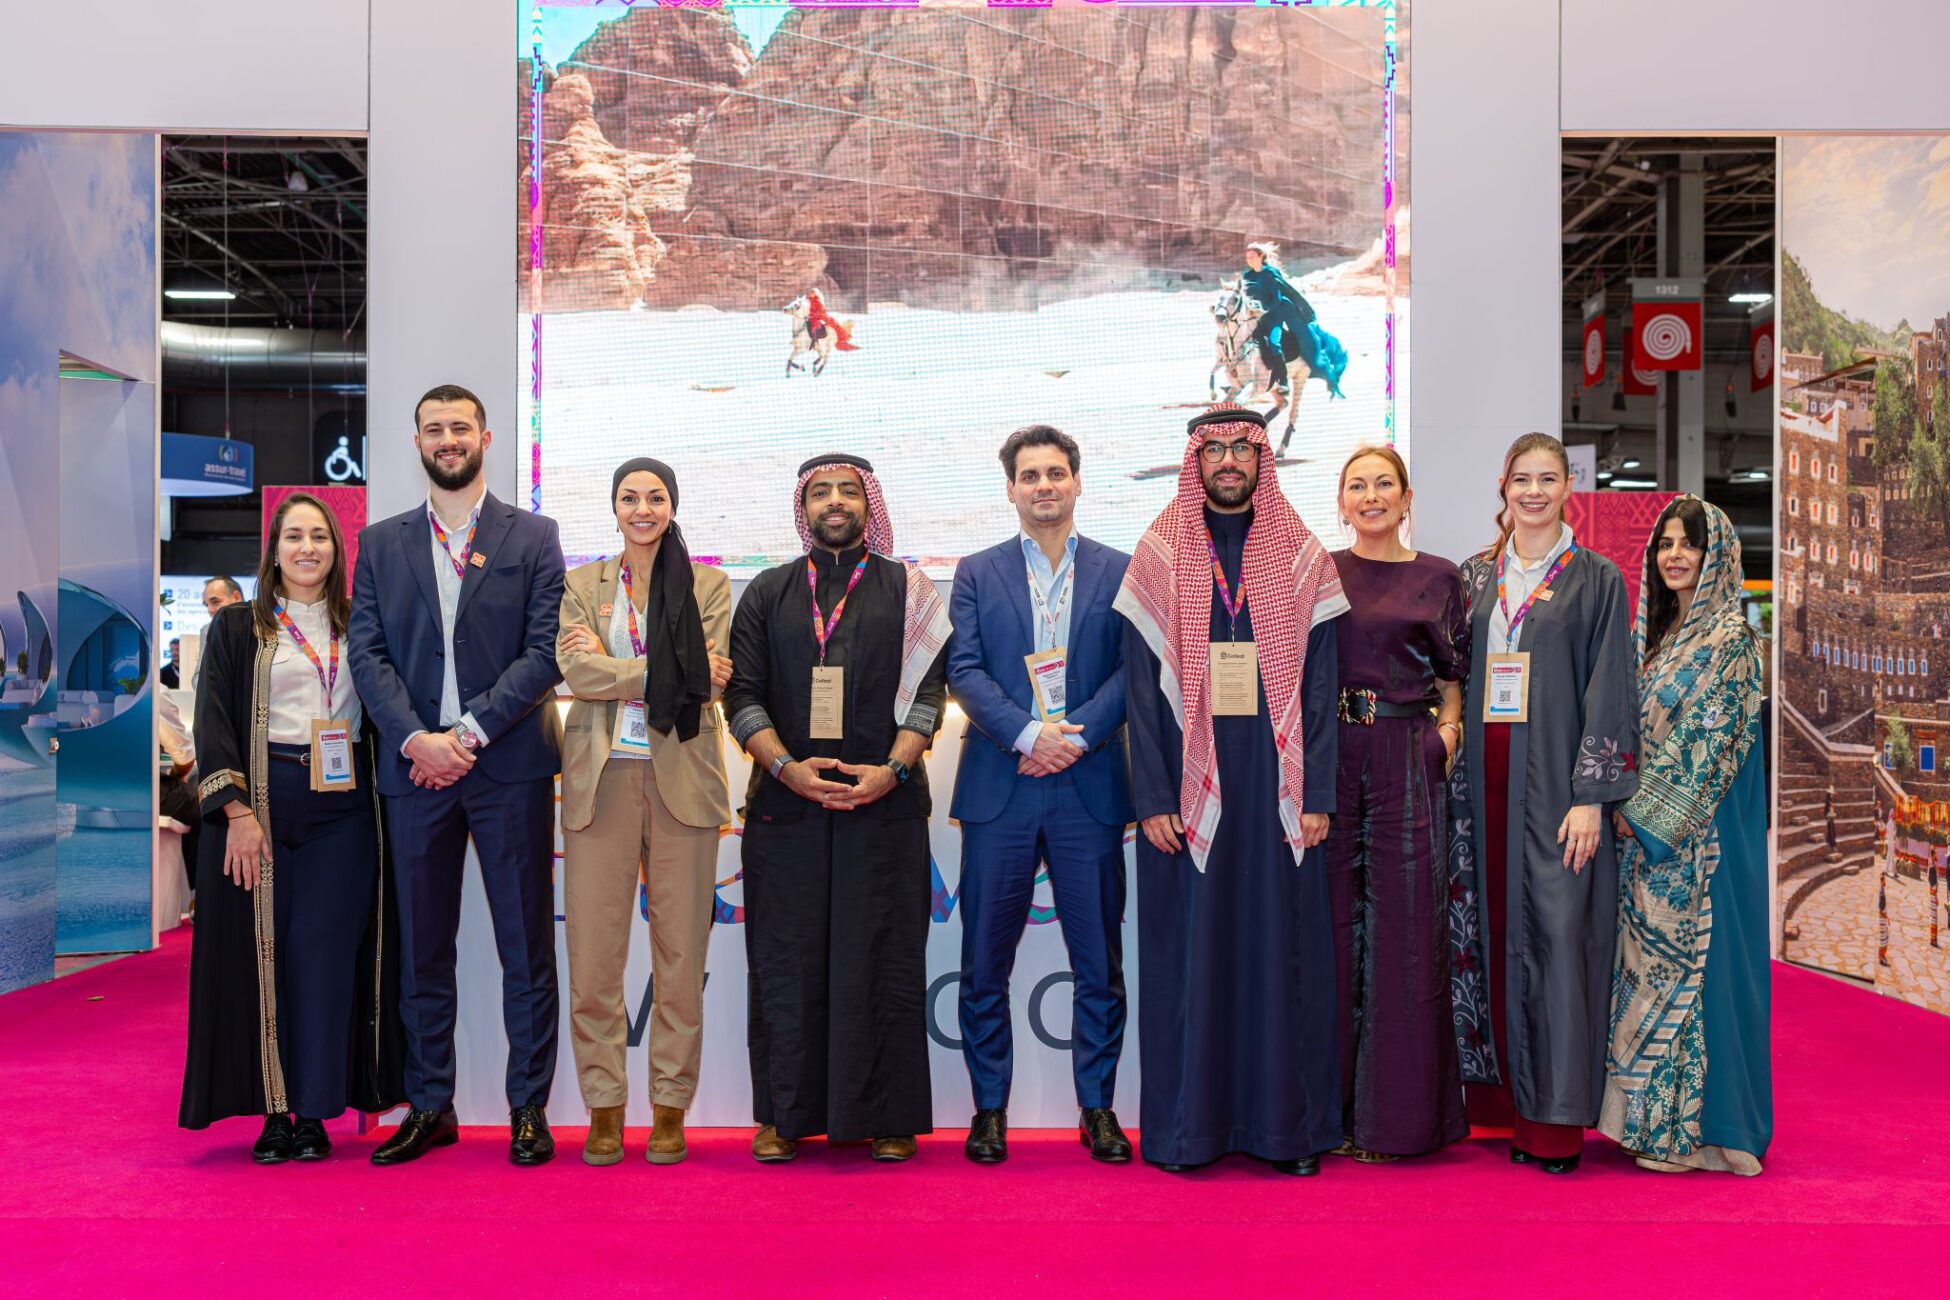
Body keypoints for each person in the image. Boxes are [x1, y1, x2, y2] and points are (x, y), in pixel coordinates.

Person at [1115, 404, 1348, 1175]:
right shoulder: (1158, 554)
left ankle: (1286, 1134)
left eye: (1239, 450)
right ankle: (1190, 1132)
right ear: (1196, 460)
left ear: (1259, 459)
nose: (1226, 462)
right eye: (1211, 449)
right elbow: (1140, 694)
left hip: (1277, 789)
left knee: (1281, 954)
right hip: (1188, 793)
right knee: (1193, 957)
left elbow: (1321, 687)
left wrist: (1315, 793)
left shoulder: (1301, 553)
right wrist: (1151, 797)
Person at [348, 383, 566, 1167]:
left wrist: (466, 734)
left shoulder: (534, 536)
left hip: (506, 767)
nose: (448, 439)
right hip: (415, 774)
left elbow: (544, 653)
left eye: (460, 427)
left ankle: (528, 1110)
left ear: (486, 437)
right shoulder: (379, 544)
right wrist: (415, 740)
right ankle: (430, 1104)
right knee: (421, 949)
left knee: (524, 946)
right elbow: (365, 656)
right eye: (433, 428)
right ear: (417, 443)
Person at [723, 452, 951, 1164]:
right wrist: (785, 768)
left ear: (867, 503)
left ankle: (887, 1115)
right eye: (820, 491)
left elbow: (928, 694)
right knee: (786, 961)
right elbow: (743, 695)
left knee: (882, 954)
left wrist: (891, 769)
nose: (834, 502)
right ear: (804, 506)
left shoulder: (909, 590)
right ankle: (785, 1116)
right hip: (786, 812)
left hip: (883, 806)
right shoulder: (767, 590)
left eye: (848, 491)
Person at [180, 493, 403, 1162]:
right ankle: (274, 1112)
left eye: (321, 537)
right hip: (261, 802)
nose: (308, 548)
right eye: (294, 536)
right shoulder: (237, 629)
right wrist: (238, 815)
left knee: (325, 959)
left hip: (344, 810)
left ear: (338, 550)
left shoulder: (361, 624)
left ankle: (314, 1112)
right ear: (274, 549)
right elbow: (212, 719)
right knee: (264, 957)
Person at [1448, 432, 1638, 1175]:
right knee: (1487, 937)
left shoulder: (1595, 579)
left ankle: (1553, 1125)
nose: (1533, 491)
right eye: (1521, 478)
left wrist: (1593, 796)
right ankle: (1497, 1108)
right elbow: (1448, 678)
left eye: (1547, 478)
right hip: (1482, 794)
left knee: (1560, 946)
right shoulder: (1473, 577)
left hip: (1557, 793)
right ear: (1503, 485)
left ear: (1568, 489)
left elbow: (1610, 691)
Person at [947, 425, 1134, 1165]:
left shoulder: (1122, 570)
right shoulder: (975, 570)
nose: (1044, 486)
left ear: (1078, 482)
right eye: (1030, 476)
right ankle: (988, 1109)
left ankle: (1099, 1109)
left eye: (1057, 473)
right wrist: (1029, 736)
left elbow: (1133, 670)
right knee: (983, 964)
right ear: (1012, 489)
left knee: (1100, 965)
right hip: (1003, 787)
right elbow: (964, 670)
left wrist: (1074, 736)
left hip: (1087, 787)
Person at [555, 458, 733, 1167]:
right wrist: (668, 670)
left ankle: (668, 1107)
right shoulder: (582, 584)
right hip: (599, 783)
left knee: (681, 958)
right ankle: (604, 1106)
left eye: (655, 497)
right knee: (594, 959)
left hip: (682, 780)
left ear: (672, 505)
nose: (642, 508)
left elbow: (712, 678)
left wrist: (622, 671)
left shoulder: (711, 585)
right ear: (614, 507)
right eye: (629, 497)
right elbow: (575, 673)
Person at [1601, 496, 1771, 1176]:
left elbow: (1711, 743)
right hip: (1649, 848)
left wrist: (1638, 813)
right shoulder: (1663, 639)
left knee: (1706, 981)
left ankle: (1713, 1131)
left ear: (1716, 554)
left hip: (1702, 848)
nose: (1674, 555)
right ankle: (1661, 1128)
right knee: (1653, 982)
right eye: (1665, 544)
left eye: (1689, 544)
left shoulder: (1731, 639)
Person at [1323, 445, 1469, 1162]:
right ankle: (1329, 1116)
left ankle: (1399, 1125)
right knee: (1330, 931)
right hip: (1332, 761)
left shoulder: (1439, 577)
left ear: (1406, 498)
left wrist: (1445, 736)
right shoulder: (1318, 573)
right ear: (1341, 500)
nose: (1371, 496)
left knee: (1407, 935)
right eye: (1358, 486)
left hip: (1407, 758)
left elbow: (1454, 674)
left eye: (1384, 485)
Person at [803, 287, 858, 351]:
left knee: (832, 324)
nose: (811, 294)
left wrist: (813, 315)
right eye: (810, 292)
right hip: (811, 317)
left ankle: (842, 336)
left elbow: (821, 311)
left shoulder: (818, 301)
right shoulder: (807, 301)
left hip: (820, 317)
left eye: (813, 293)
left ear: (816, 294)